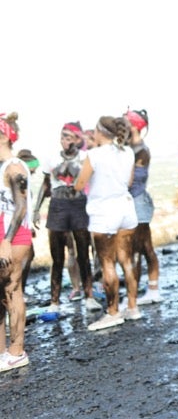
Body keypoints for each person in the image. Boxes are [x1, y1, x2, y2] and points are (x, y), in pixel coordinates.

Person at [75, 115, 141, 331]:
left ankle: (112, 312)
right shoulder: (128, 152)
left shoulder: (93, 155)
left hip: (104, 211)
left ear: (99, 131)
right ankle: (132, 307)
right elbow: (130, 182)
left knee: (107, 262)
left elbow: (80, 184)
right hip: (126, 208)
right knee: (127, 260)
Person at [35, 121, 97, 311]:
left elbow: (94, 182)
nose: (64, 141)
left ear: (77, 139)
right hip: (58, 206)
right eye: (62, 136)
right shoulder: (51, 158)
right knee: (58, 257)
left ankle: (89, 295)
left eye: (68, 137)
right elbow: (46, 185)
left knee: (83, 254)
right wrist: (36, 208)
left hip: (78, 205)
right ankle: (55, 301)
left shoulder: (86, 157)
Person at [0, 113, 32, 371]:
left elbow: (20, 207)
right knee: (3, 294)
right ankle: (3, 352)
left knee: (13, 290)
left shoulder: (14, 167)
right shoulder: (4, 166)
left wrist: (6, 241)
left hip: (13, 238)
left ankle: (17, 351)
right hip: (5, 236)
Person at [126, 109, 161, 306]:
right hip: (135, 201)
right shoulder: (133, 148)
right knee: (140, 248)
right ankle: (146, 290)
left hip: (138, 201)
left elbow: (133, 180)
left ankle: (147, 291)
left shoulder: (139, 150)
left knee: (141, 248)